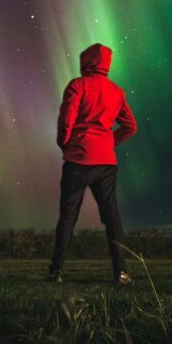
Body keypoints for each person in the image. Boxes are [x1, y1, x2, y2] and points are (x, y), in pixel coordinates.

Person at [48, 43, 137, 286]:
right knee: (112, 217)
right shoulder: (117, 92)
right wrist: (108, 142)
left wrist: (65, 144)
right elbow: (130, 126)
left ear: (85, 61)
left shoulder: (77, 85)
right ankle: (121, 272)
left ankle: (56, 272)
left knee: (68, 216)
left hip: (78, 159)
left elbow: (66, 120)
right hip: (106, 163)